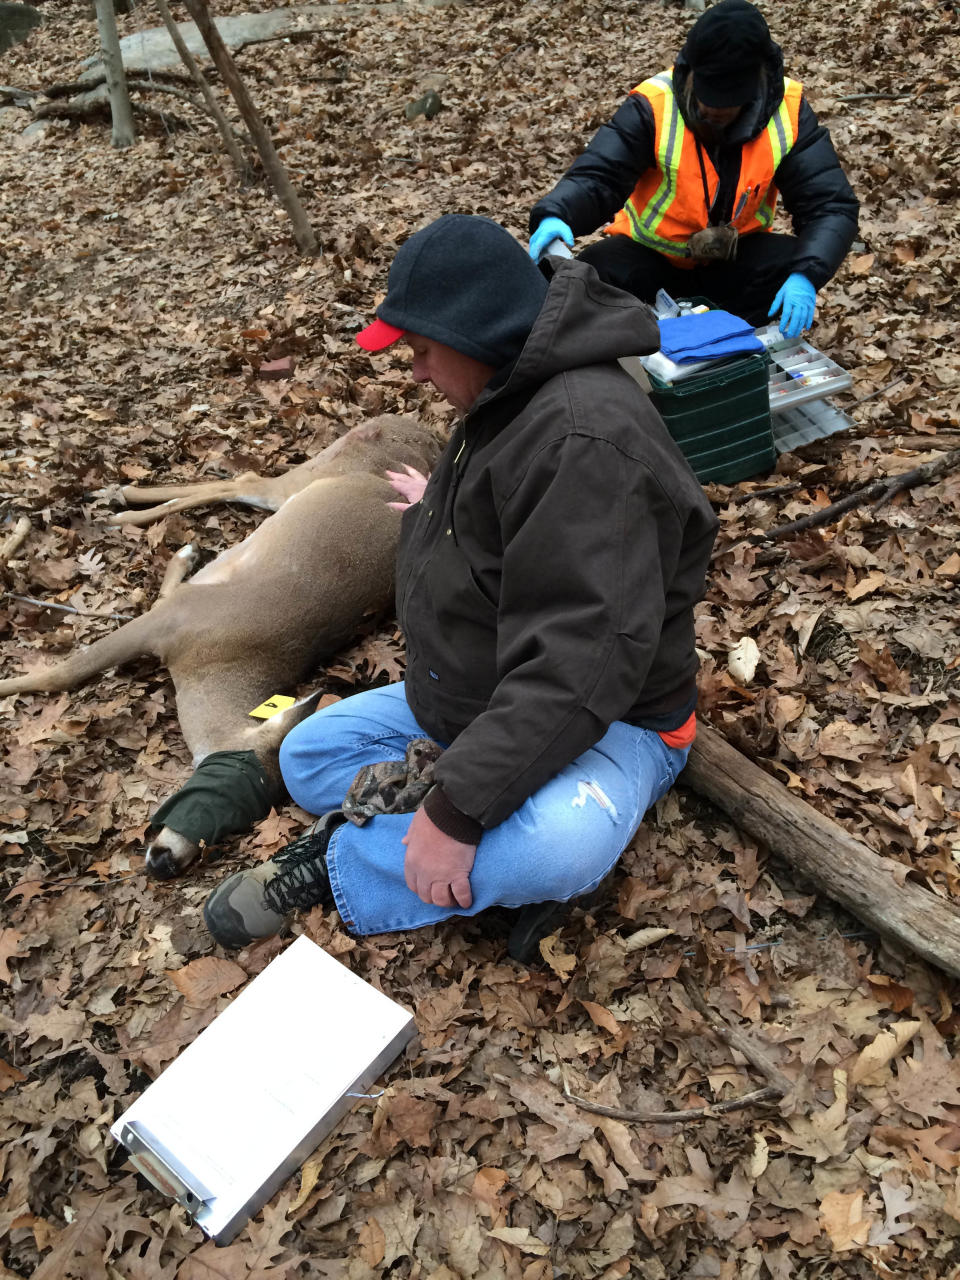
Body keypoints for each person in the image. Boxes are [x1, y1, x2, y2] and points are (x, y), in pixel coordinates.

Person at [202, 214, 718, 950]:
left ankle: (344, 858)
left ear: (476, 335)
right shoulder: (506, 394)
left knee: (555, 847)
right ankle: (468, 821)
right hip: (487, 689)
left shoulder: (583, 444)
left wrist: (458, 812)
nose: (414, 371)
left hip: (616, 718)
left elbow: (585, 660)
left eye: (420, 351)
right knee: (306, 755)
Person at [528, 0, 858, 337]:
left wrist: (806, 276)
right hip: (650, 259)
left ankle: (730, 343)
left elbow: (829, 205)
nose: (712, 108)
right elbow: (600, 176)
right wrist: (558, 212)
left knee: (792, 263)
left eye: (727, 101)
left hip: (734, 262)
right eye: (707, 94)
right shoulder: (654, 103)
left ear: (756, 85)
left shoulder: (789, 110)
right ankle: (643, 348)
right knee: (592, 272)